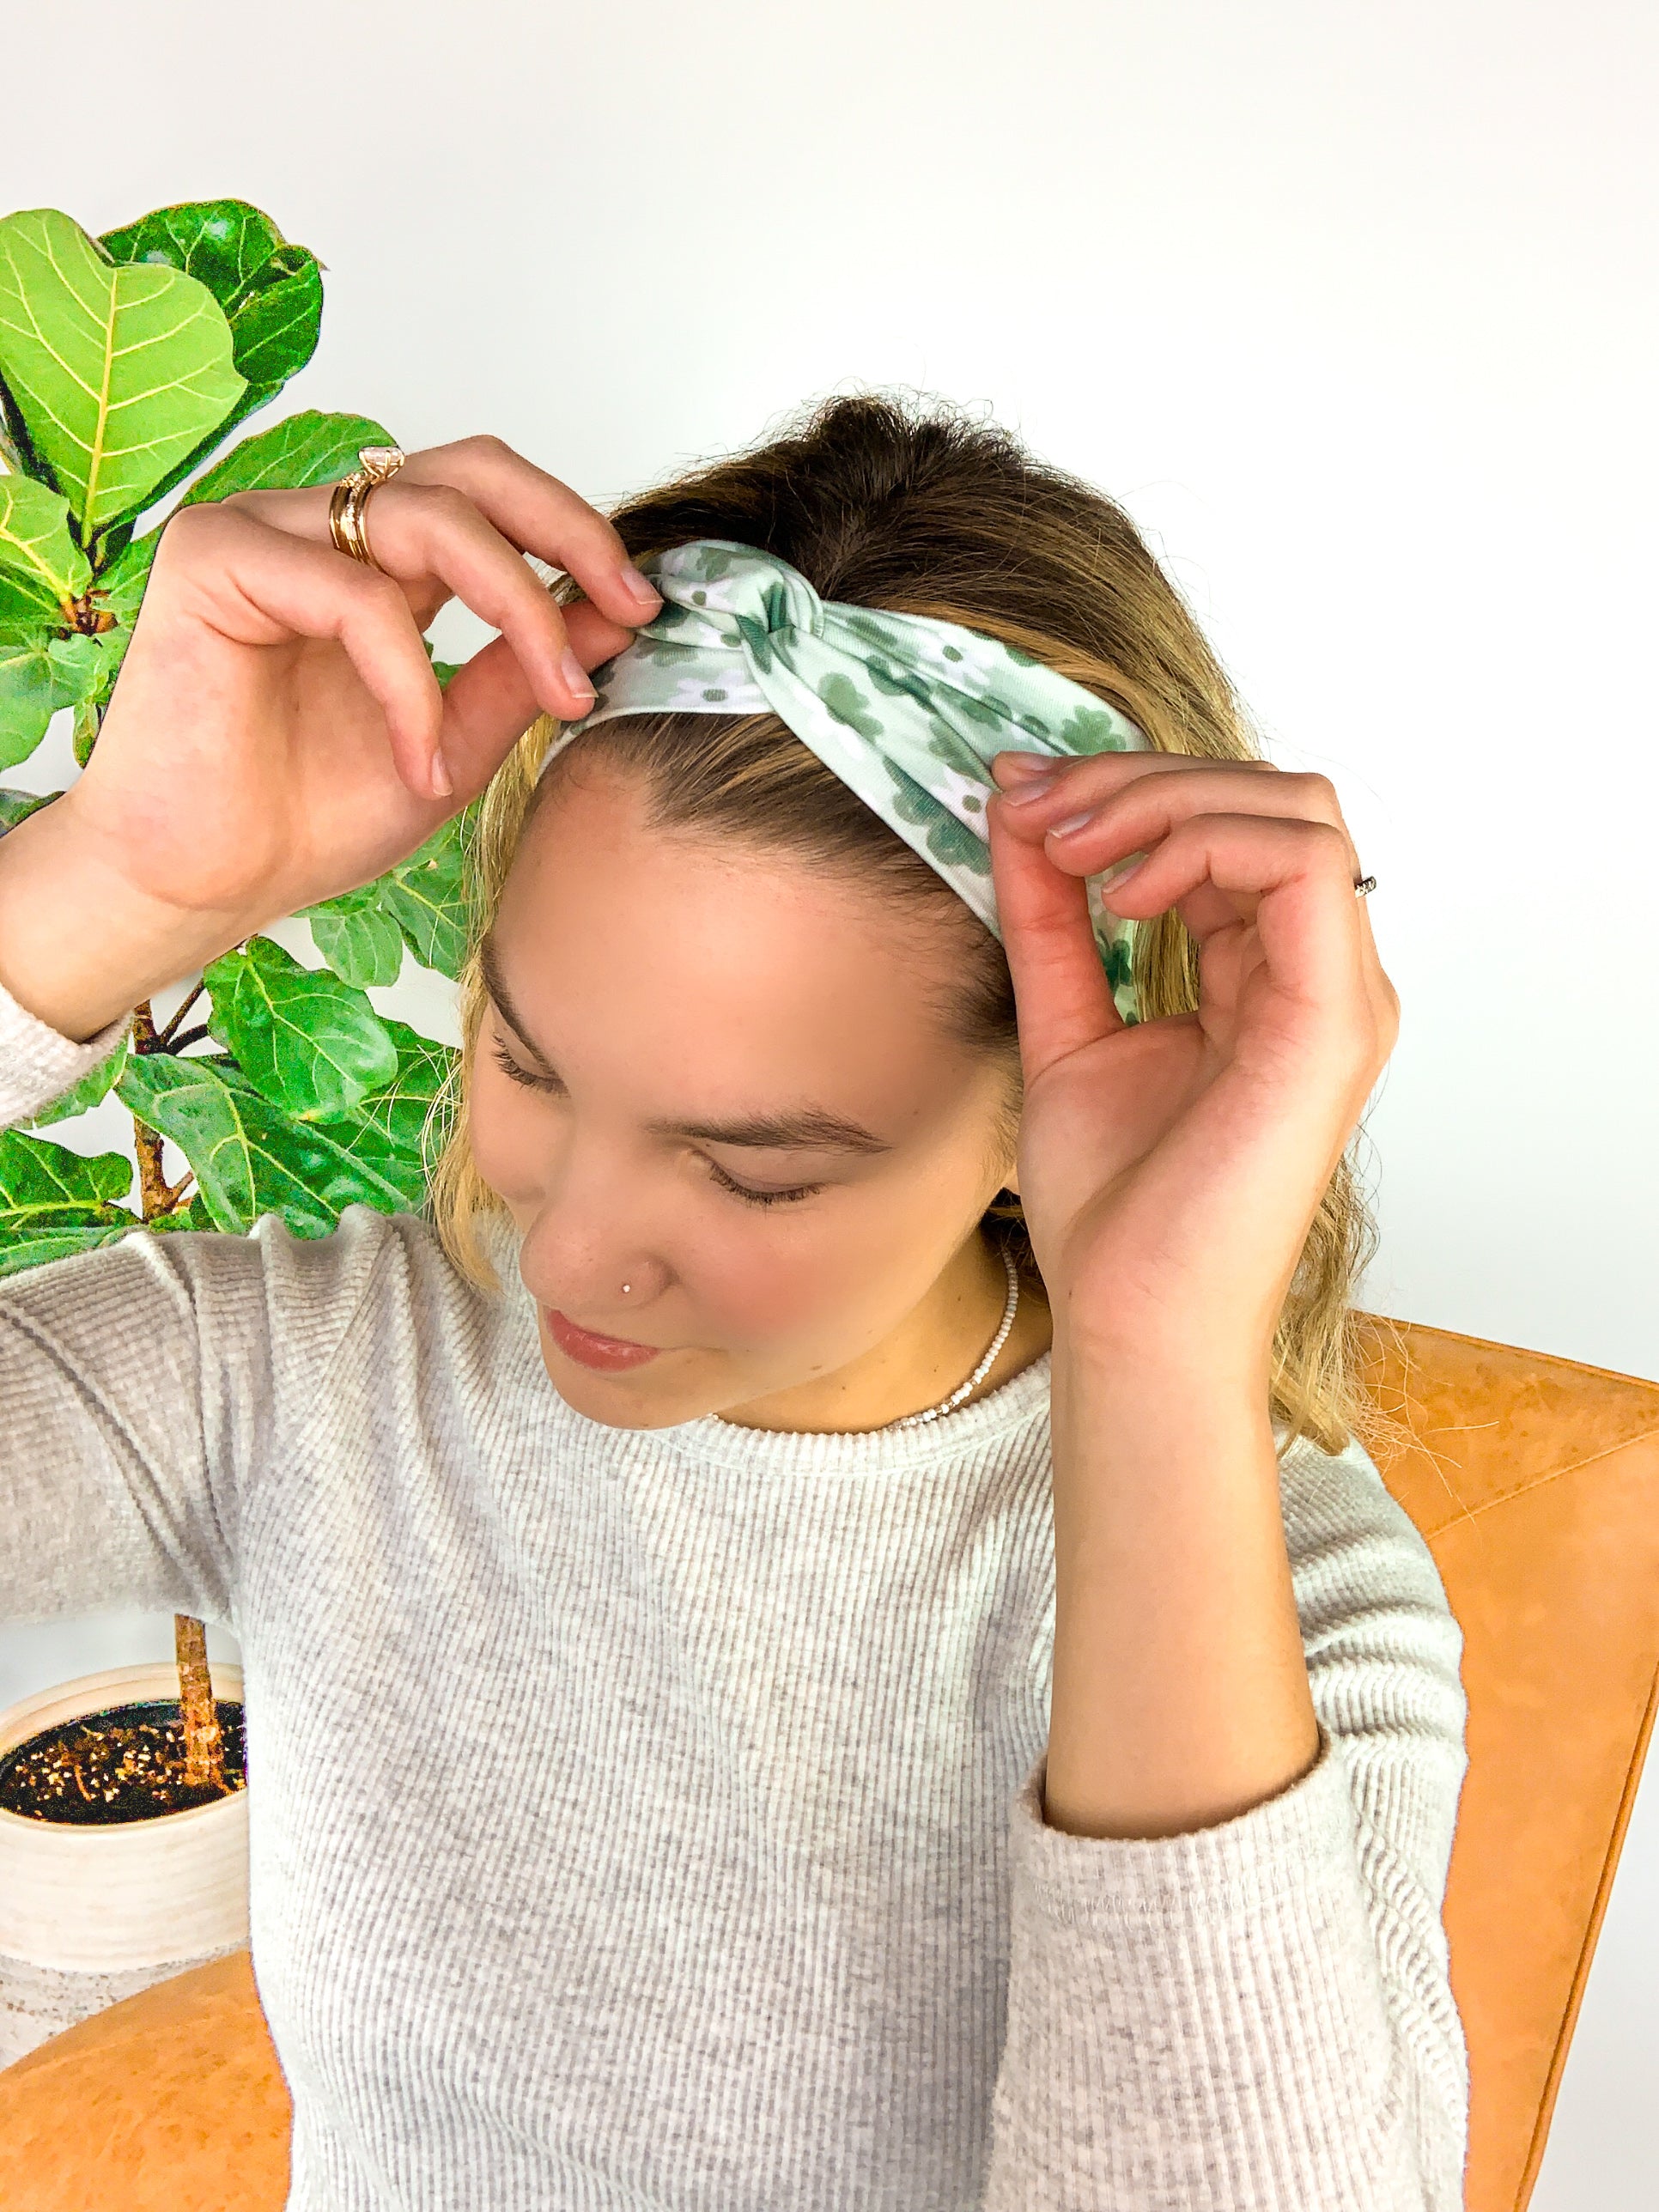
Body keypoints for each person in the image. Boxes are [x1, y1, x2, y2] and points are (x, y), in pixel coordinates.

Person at [0, 396, 1469, 2209]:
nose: (560, 1259)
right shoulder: (302, 1377)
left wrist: (1157, 1351)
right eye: (529, 1062)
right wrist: (107, 886)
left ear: (1039, 1112)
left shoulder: (1301, 1616)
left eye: (757, 1170)